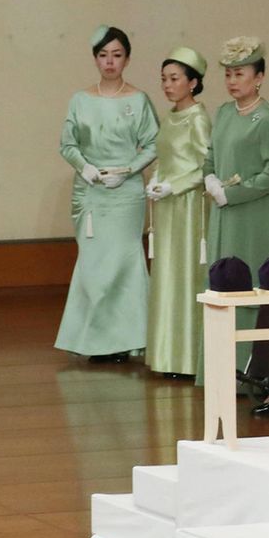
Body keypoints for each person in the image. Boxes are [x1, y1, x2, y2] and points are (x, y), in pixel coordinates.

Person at [55, 26, 159, 362]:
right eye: (103, 55)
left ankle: (128, 340)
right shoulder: (80, 100)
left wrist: (128, 170)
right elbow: (67, 143)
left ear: (127, 59)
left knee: (124, 262)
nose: (110, 62)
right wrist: (84, 167)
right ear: (95, 59)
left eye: (116, 55)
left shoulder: (138, 100)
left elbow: (154, 143)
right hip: (91, 191)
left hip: (125, 192)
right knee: (93, 264)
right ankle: (94, 340)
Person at [199, 36, 269, 387]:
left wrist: (232, 193)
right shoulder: (223, 112)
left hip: (254, 216)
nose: (233, 81)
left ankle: (249, 373)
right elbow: (210, 155)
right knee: (221, 282)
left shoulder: (268, 120)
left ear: (259, 77)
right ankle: (218, 371)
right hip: (224, 215)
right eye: (228, 74)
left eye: (240, 74)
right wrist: (209, 177)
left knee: (247, 285)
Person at [144, 47, 213, 377]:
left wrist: (176, 185)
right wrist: (156, 178)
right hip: (167, 206)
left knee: (185, 276)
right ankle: (166, 355)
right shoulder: (170, 117)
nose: (168, 85)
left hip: (188, 207)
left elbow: (205, 166)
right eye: (164, 79)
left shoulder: (198, 119)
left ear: (193, 82)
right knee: (167, 275)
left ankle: (187, 357)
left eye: (174, 79)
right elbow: (165, 156)